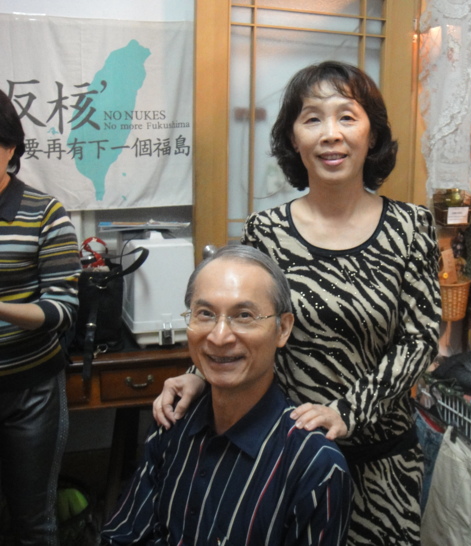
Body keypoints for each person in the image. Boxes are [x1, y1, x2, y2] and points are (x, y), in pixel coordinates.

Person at [153, 61, 442, 545]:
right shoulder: (266, 231)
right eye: (312, 119)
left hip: (382, 465)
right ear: (293, 138)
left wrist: (347, 411)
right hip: (287, 458)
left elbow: (420, 339)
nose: (331, 134)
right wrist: (197, 374)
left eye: (347, 117)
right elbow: (243, 321)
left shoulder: (411, 227)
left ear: (372, 134)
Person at [101, 245, 352, 545]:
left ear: (283, 329)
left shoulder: (316, 466)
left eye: (244, 315)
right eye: (205, 314)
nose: (219, 337)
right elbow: (124, 535)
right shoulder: (173, 420)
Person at [0, 89, 81, 545]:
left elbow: (61, 311)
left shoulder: (43, 213)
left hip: (30, 389)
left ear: (10, 146)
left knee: (33, 521)